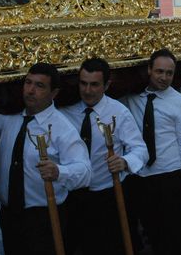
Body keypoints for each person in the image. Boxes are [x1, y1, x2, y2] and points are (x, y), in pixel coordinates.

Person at [0, 63, 92, 255]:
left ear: (54, 93)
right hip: (10, 216)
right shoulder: (7, 117)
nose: (30, 90)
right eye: (28, 83)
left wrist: (59, 171)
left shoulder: (62, 128)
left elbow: (85, 170)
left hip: (44, 218)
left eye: (40, 86)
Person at [121, 49, 181, 255]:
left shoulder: (180, 103)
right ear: (149, 70)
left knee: (177, 241)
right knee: (154, 239)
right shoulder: (131, 99)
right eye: (159, 71)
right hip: (141, 179)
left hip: (172, 180)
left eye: (169, 73)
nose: (164, 77)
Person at [60, 58, 148, 255]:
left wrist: (125, 161)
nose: (88, 90)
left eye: (94, 85)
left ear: (107, 85)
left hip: (108, 196)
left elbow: (140, 150)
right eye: (83, 83)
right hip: (73, 197)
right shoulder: (65, 111)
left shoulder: (119, 112)